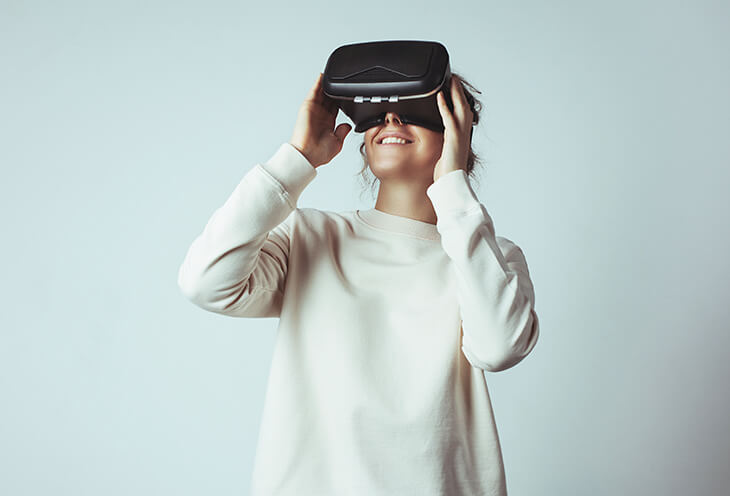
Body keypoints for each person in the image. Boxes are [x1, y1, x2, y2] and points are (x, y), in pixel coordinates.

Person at [177, 71, 540, 496]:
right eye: (378, 113)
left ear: (457, 129)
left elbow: (500, 347)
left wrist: (454, 189)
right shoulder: (308, 237)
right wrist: (297, 158)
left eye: (416, 111)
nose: (390, 119)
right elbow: (205, 282)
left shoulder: (489, 257)